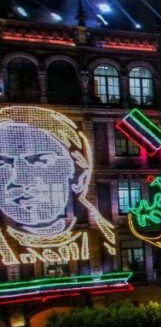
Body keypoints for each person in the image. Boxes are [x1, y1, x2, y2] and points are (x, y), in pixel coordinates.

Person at [0, 107, 115, 266]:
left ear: (79, 177)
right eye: (3, 164)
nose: (20, 178)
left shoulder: (106, 237)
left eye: (41, 161)